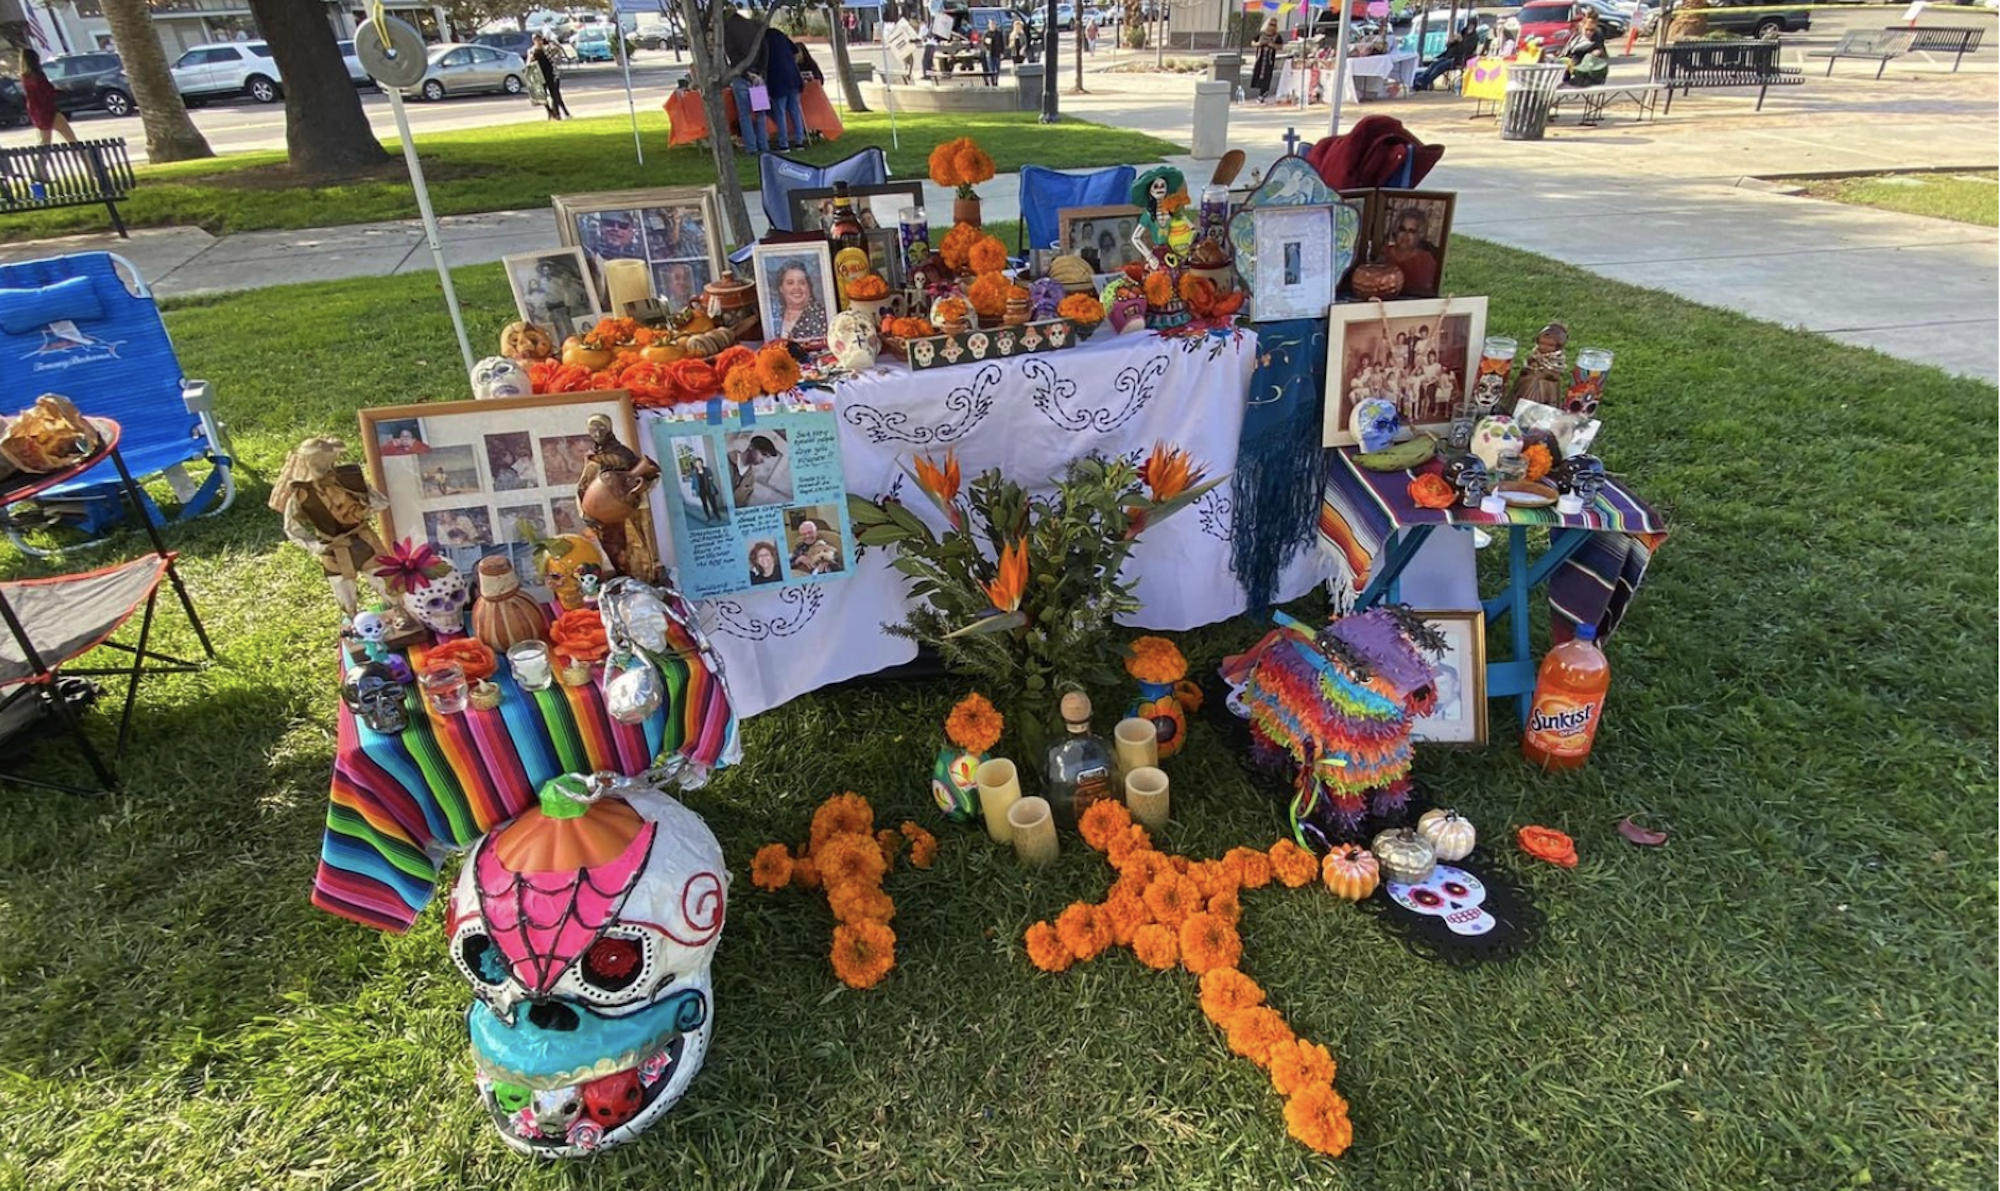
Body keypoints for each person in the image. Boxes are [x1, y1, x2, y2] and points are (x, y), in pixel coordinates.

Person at [19, 49, 78, 178]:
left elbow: (31, 97)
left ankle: (38, 173)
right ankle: (93, 168)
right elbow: (48, 92)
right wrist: (62, 91)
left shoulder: (24, 77)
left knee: (43, 145)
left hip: (37, 114)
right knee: (73, 141)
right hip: (51, 112)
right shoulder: (39, 75)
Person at [724, 5, 771, 155]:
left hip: (742, 75)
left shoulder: (727, 29)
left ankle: (751, 147)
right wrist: (760, 72)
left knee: (744, 114)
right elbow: (765, 49)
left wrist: (745, 73)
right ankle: (764, 146)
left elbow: (733, 54)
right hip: (758, 75)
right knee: (760, 114)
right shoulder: (753, 25)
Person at [762, 24, 807, 153]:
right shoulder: (780, 35)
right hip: (792, 76)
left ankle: (782, 144)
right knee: (794, 110)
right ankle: (799, 141)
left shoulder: (762, 40)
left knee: (778, 111)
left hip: (773, 79)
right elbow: (796, 51)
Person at [1381, 207, 1442, 294]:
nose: (1405, 235)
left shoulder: (1426, 260)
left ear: (1420, 235)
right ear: (1396, 231)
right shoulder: (1383, 253)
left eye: (1412, 231)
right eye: (1402, 229)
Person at [1412, 18, 1480, 92]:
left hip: (1459, 59)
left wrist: (1461, 41)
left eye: (1472, 25)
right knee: (1434, 64)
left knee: (1440, 67)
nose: (1470, 27)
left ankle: (1425, 82)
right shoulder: (1462, 33)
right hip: (1449, 55)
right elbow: (1449, 46)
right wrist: (1452, 41)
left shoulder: (1474, 38)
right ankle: (1421, 79)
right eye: (1469, 25)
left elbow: (1467, 50)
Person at [768, 261, 827, 342]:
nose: (797, 287)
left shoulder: (823, 315)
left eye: (802, 283)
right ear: (781, 288)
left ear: (808, 287)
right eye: (790, 283)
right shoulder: (772, 313)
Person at [1562, 10, 1608, 86]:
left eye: (1592, 30)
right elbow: (1568, 51)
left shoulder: (1597, 37)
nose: (1589, 32)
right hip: (1571, 66)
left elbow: (1601, 51)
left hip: (1585, 70)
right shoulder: (1577, 37)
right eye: (1587, 29)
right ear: (1582, 27)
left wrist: (1597, 52)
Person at [530, 34, 570, 120]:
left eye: (540, 40)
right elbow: (529, 64)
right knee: (543, 96)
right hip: (540, 76)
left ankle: (559, 113)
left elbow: (557, 51)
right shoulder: (532, 51)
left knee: (555, 95)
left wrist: (553, 43)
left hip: (551, 74)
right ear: (534, 41)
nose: (539, 42)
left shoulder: (548, 49)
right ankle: (550, 112)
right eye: (537, 40)